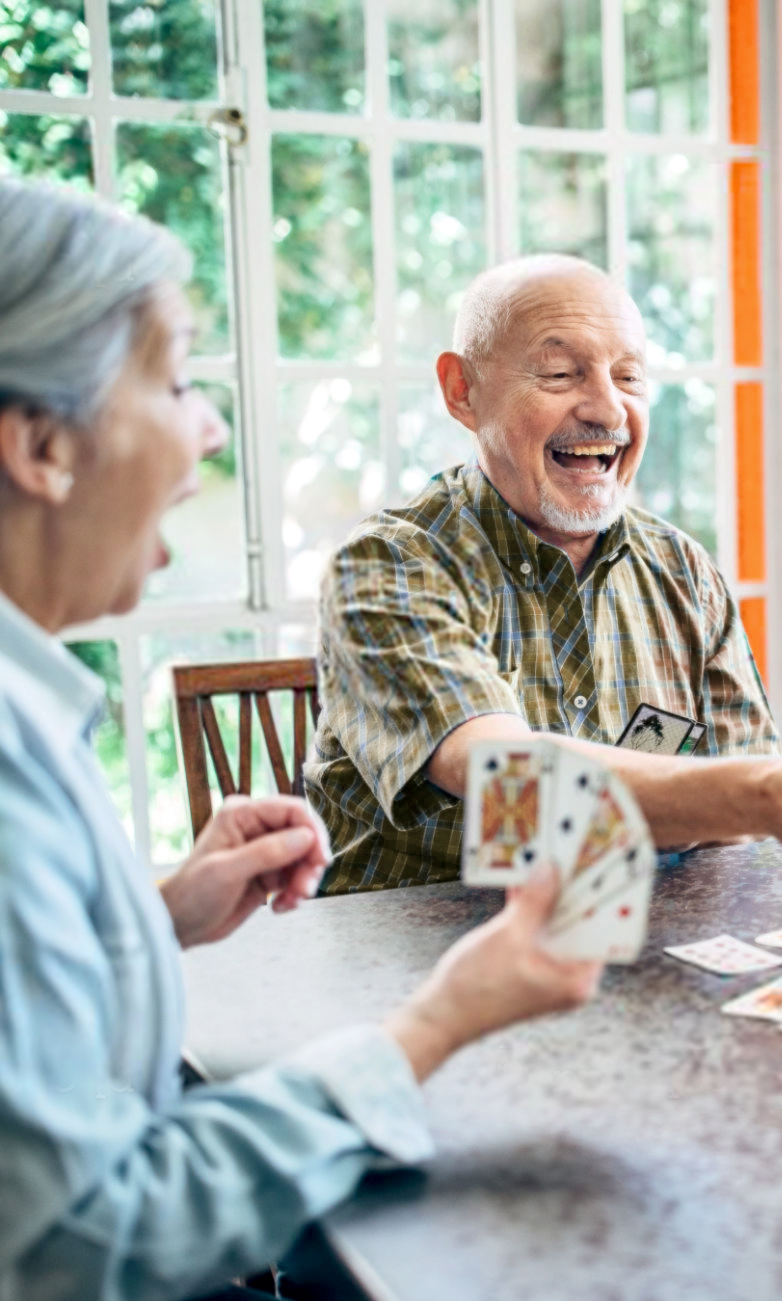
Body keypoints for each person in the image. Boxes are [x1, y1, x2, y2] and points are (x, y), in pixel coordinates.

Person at [0, 180, 606, 1299]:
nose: (212, 425)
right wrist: (433, 1024)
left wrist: (153, 910)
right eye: (177, 381)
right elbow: (79, 1246)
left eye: (625, 375)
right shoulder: (392, 560)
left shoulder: (29, 707)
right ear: (40, 444)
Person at [307, 254, 782, 892]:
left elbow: (738, 835)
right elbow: (505, 778)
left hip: (637, 947)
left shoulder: (684, 572)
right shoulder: (386, 566)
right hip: (422, 971)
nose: (608, 410)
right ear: (461, 392)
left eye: (630, 377)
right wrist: (772, 793)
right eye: (560, 372)